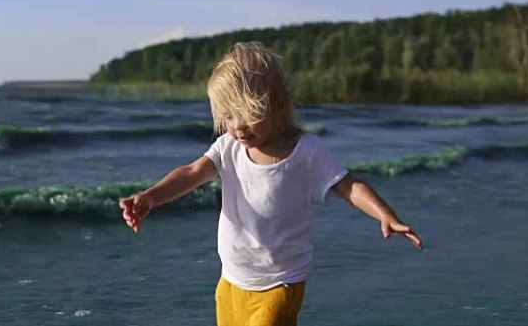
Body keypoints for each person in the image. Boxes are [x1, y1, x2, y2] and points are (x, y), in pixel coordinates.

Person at [119, 42, 422, 326]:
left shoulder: (306, 151)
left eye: (247, 113)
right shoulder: (228, 148)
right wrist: (150, 197)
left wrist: (385, 214)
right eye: (228, 115)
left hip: (281, 281)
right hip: (232, 281)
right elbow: (190, 173)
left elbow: (348, 185)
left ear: (276, 104)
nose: (237, 125)